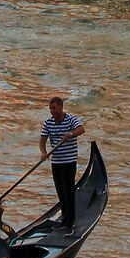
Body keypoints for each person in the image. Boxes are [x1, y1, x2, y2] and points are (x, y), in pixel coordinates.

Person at [39, 95, 86, 230]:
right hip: (57, 162)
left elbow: (81, 129)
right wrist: (43, 152)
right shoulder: (48, 122)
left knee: (68, 191)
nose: (52, 111)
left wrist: (70, 134)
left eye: (54, 108)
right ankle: (65, 218)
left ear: (61, 107)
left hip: (69, 161)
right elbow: (42, 140)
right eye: (50, 108)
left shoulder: (71, 119)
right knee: (60, 191)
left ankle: (70, 222)